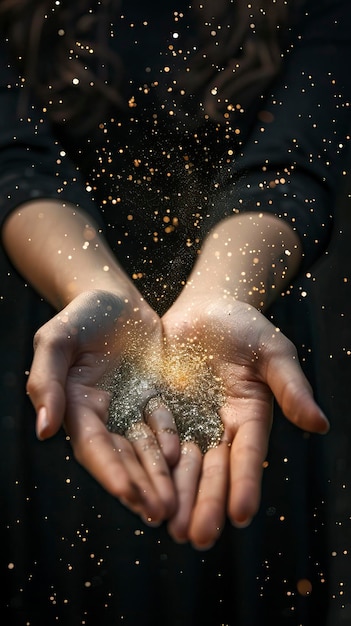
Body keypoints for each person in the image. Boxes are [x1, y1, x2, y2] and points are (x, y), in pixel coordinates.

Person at [0, 0, 350, 624]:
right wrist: (92, 288)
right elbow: (17, 161)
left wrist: (225, 293)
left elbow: (291, 163)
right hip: (73, 339)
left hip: (246, 342)